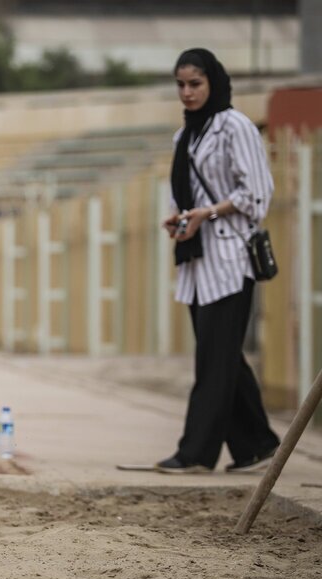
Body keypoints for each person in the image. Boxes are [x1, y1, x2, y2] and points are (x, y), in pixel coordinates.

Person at [156, 48, 279, 474]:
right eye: (181, 85)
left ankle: (195, 453)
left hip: (229, 259)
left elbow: (258, 194)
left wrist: (205, 213)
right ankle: (257, 446)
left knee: (214, 357)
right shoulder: (185, 136)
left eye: (195, 84)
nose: (187, 93)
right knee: (223, 355)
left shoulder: (235, 127)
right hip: (197, 260)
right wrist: (181, 219)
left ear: (214, 83)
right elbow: (185, 197)